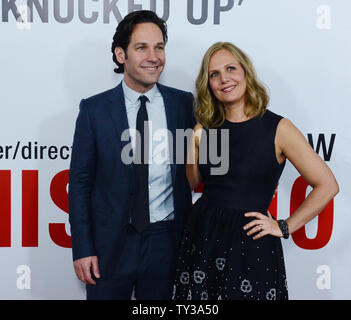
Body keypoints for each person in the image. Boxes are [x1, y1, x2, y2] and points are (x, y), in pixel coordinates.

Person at [173, 42, 339, 300]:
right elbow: (194, 181)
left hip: (251, 243)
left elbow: (327, 185)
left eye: (230, 69)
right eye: (214, 74)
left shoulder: (278, 128)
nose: (223, 79)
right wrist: (194, 144)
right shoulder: (207, 129)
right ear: (208, 84)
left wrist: (284, 226)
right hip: (204, 236)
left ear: (246, 73)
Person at [68, 10, 195, 300]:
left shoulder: (183, 104)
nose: (154, 56)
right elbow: (80, 184)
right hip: (109, 246)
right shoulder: (94, 110)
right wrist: (83, 248)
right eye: (142, 48)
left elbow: (206, 161)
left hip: (166, 243)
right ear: (120, 54)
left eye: (159, 47)